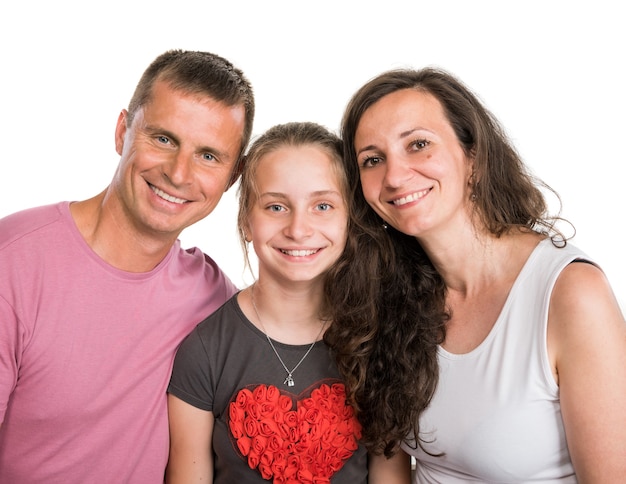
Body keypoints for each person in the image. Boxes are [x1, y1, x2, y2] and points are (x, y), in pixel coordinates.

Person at [324, 67, 626, 482]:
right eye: (373, 160)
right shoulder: (388, 290)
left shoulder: (570, 294)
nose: (394, 176)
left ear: (474, 157)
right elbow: (390, 458)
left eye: (418, 144)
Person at [0, 49, 255, 482]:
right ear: (122, 132)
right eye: (164, 139)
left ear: (232, 178)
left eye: (209, 156)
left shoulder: (215, 299)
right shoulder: (15, 261)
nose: (178, 173)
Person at [165, 121, 410, 483]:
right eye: (276, 207)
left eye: (323, 205)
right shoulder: (205, 350)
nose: (298, 229)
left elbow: (390, 475)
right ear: (247, 221)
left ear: (350, 221)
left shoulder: (378, 341)